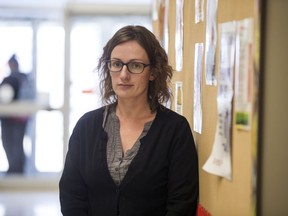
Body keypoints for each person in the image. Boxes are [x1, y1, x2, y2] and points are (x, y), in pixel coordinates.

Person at [59, 25, 199, 216]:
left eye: (135, 65)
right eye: (116, 64)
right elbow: (71, 195)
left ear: (153, 72)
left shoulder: (175, 130)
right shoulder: (86, 126)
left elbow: (181, 204)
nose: (124, 74)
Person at [0, 54, 31, 174]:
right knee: (10, 144)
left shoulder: (21, 79)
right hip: (9, 118)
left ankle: (17, 170)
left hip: (17, 118)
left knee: (16, 144)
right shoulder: (11, 80)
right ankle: (14, 169)